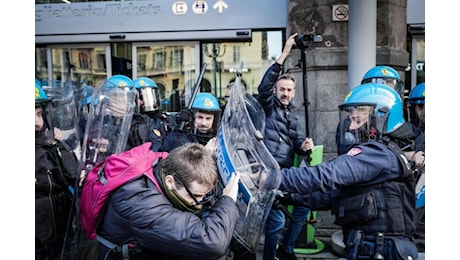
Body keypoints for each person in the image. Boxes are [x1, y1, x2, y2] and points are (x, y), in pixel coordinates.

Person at [277, 83, 422, 260]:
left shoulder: (377, 154)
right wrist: (289, 197)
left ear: (379, 120)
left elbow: (324, 175)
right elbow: (335, 195)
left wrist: (272, 177)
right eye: (351, 120)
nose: (351, 127)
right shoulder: (379, 155)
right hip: (372, 248)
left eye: (358, 121)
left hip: (383, 251)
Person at [96, 142, 240, 259]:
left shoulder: (165, 167)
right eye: (195, 196)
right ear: (170, 182)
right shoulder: (143, 206)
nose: (198, 202)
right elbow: (212, 242)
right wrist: (228, 200)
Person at [256, 32, 314, 260]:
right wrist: (285, 54)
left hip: (287, 176)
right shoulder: (268, 108)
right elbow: (263, 88)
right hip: (268, 174)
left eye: (289, 90)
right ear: (276, 90)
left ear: (294, 93)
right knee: (278, 220)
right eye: (282, 89)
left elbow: (295, 141)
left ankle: (286, 249)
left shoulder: (292, 116)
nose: (285, 93)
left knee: (306, 203)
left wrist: (304, 145)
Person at [36, 81, 79, 260]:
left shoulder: (50, 142)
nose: (36, 122)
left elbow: (73, 175)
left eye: (39, 114)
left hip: (61, 229)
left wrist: (59, 147)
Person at [125, 77, 165, 152]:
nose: (144, 102)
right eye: (140, 97)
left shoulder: (166, 119)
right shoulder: (129, 121)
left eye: (148, 96)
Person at [133, 77, 176, 142]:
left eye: (148, 96)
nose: (144, 102)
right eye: (141, 98)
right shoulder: (131, 123)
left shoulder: (167, 120)